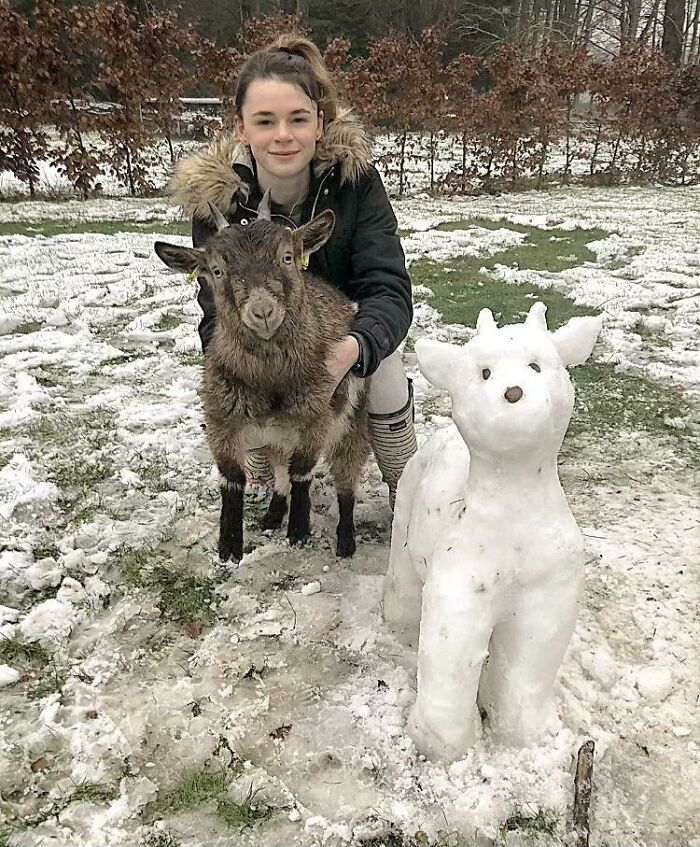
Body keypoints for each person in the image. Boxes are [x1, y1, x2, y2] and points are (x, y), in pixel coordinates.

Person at [170, 34, 416, 508]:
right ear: (241, 127)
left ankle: (406, 485)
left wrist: (356, 347)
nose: (283, 135)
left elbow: (387, 288)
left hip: (338, 331)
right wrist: (237, 367)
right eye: (265, 121)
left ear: (319, 123)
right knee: (238, 393)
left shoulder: (355, 184)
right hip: (258, 340)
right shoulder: (215, 206)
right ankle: (267, 463)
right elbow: (213, 307)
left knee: (384, 378)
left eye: (298, 119)